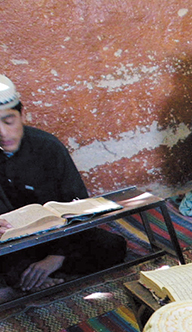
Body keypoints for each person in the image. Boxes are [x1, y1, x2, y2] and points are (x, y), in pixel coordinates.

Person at [0, 74, 127, 293]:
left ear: (21, 115)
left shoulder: (48, 148)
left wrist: (56, 257)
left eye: (8, 121)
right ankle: (28, 276)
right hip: (10, 246)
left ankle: (30, 277)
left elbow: (78, 205)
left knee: (111, 247)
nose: (3, 133)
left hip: (57, 239)